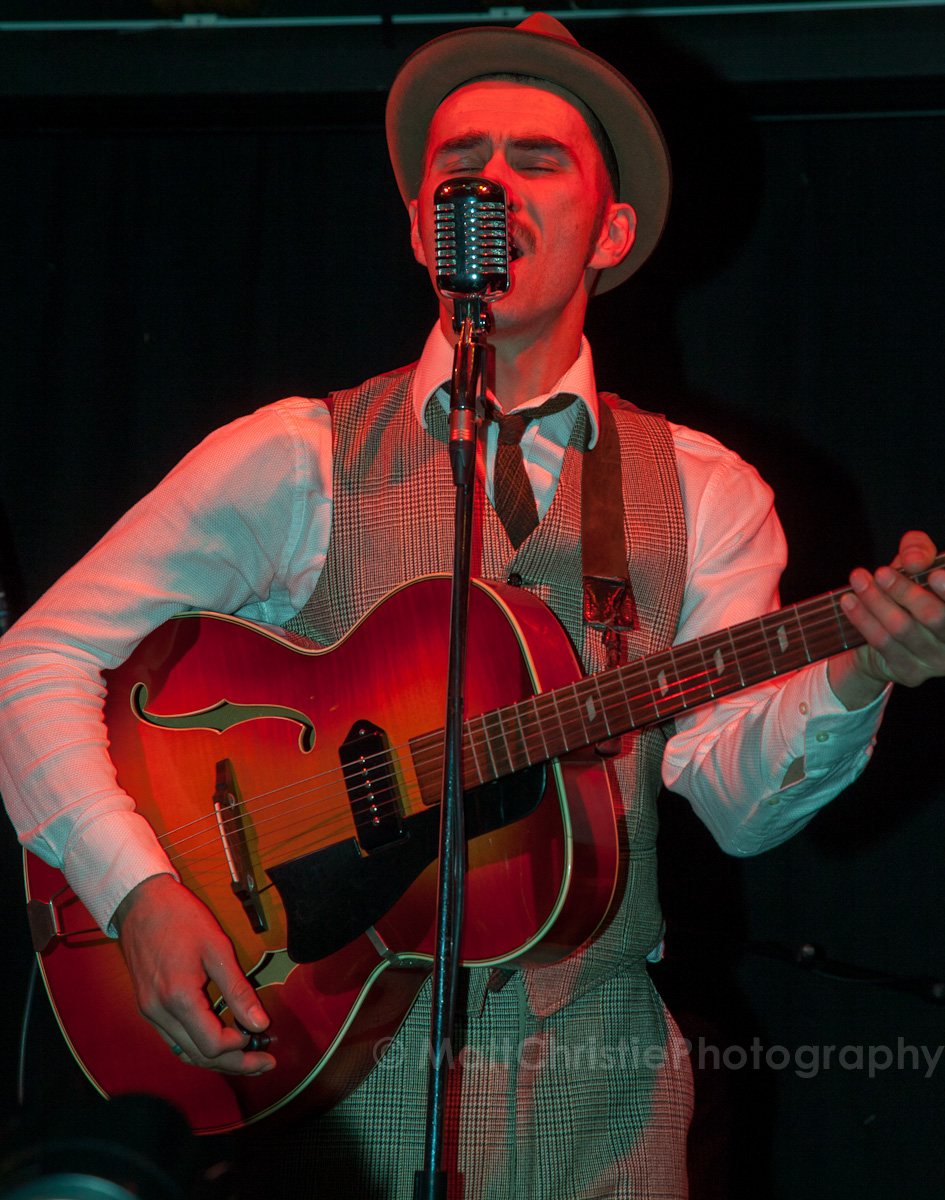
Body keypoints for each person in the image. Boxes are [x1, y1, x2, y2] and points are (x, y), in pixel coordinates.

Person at [1, 12, 943, 1199]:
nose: (491, 183)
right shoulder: (298, 456)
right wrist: (135, 891)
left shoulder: (707, 492)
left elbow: (735, 795)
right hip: (341, 1087)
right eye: (462, 163)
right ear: (419, 225)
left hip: (608, 1095)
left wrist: (859, 669)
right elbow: (31, 660)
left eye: (537, 160)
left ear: (613, 230)